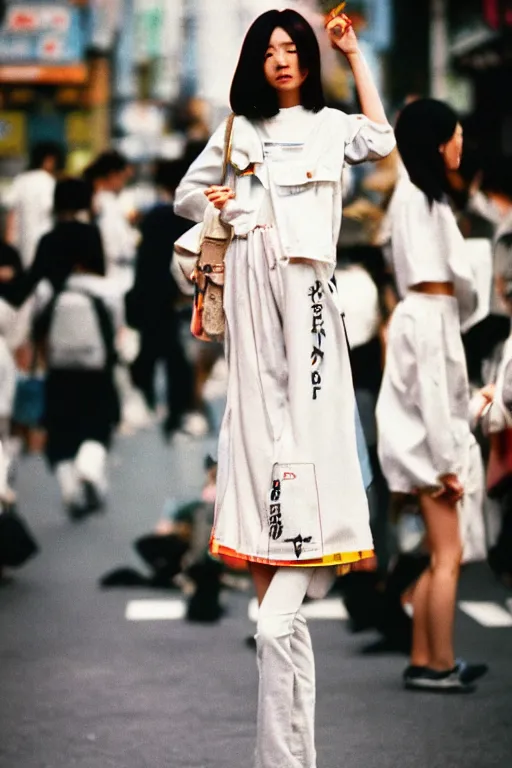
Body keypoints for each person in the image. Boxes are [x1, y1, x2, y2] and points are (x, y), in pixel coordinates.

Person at [175, 9, 395, 767]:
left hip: (309, 307)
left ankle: (287, 751)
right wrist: (223, 209)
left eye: (291, 49)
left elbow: (383, 138)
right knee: (260, 439)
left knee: (313, 438)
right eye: (269, 50)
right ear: (255, 62)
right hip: (251, 314)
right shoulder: (237, 133)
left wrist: (355, 54)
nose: (280, 60)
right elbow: (186, 198)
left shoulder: (334, 126)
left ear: (308, 57)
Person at [376, 99, 486, 692]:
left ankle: (425, 659)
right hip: (430, 436)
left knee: (441, 552)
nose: (461, 143)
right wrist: (448, 463)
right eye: (455, 135)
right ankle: (439, 663)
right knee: (448, 555)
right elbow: (438, 392)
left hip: (423, 338)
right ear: (437, 142)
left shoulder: (411, 198)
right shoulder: (425, 201)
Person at [32, 182, 120, 520]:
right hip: (96, 368)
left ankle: (69, 484)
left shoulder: (48, 291)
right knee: (98, 424)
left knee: (61, 429)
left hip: (59, 368)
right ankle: (89, 466)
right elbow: (116, 327)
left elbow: (38, 328)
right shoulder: (105, 289)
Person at [126, 159, 202, 438]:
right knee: (176, 357)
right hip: (178, 296)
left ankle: (144, 396)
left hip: (150, 294)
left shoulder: (154, 216)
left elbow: (143, 260)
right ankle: (175, 413)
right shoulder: (190, 216)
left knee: (152, 349)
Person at [4, 141, 65, 269]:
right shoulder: (50, 183)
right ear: (49, 160)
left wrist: (8, 244)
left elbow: (11, 214)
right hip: (46, 244)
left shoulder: (20, 180)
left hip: (20, 243)